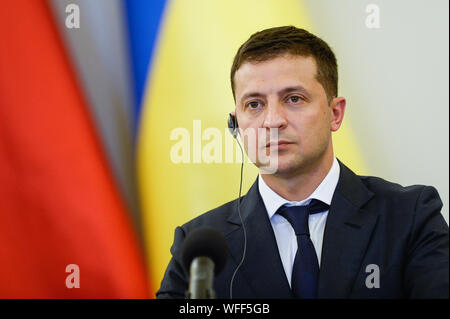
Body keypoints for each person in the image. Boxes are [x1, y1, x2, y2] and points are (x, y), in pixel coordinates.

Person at [156, 26, 449, 299]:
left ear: (335, 113)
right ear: (236, 123)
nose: (272, 121)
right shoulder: (199, 248)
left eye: (294, 98)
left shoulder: (410, 216)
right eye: (254, 104)